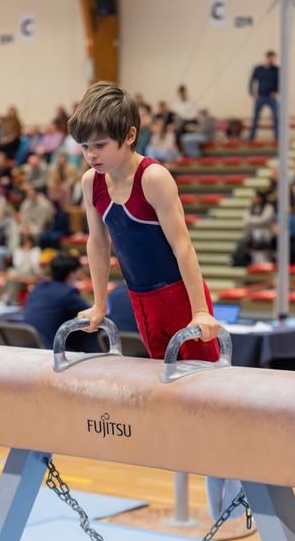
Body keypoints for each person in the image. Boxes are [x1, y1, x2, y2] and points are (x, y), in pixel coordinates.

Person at [68, 81, 220, 361]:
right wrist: (99, 304)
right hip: (139, 300)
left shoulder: (152, 178)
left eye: (100, 145)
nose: (91, 155)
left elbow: (182, 245)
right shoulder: (91, 182)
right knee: (162, 382)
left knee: (201, 385)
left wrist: (200, 310)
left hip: (180, 297)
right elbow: (98, 245)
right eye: (85, 146)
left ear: (129, 135)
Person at [22, 252, 99, 351]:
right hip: (49, 348)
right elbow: (94, 315)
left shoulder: (38, 287)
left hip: (26, 345)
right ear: (71, 274)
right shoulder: (68, 293)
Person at [249, 50, 279, 141]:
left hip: (271, 97)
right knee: (255, 119)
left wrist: (277, 91)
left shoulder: (277, 70)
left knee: (276, 118)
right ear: (267, 58)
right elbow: (252, 81)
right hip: (260, 97)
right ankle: (251, 138)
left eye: (273, 58)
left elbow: (281, 82)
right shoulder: (258, 69)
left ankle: (277, 138)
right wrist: (253, 93)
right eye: (270, 58)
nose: (272, 60)